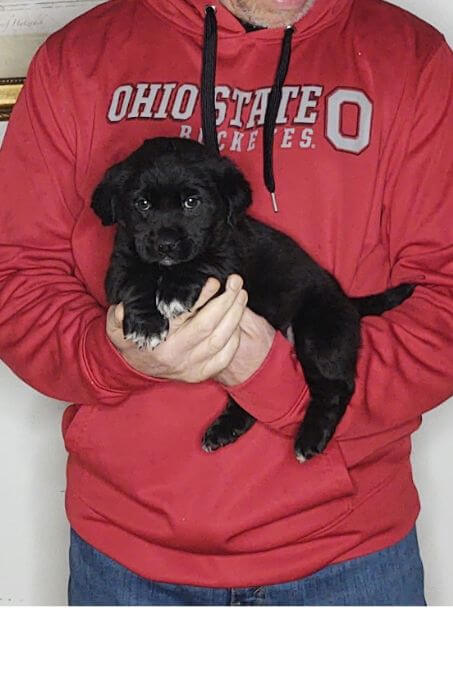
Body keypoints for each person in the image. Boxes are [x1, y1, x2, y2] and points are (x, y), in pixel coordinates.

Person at [0, 0, 451, 606]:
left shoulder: (412, 60)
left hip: (349, 558)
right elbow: (16, 280)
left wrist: (284, 383)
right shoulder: (80, 56)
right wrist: (114, 357)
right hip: (126, 563)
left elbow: (444, 304)